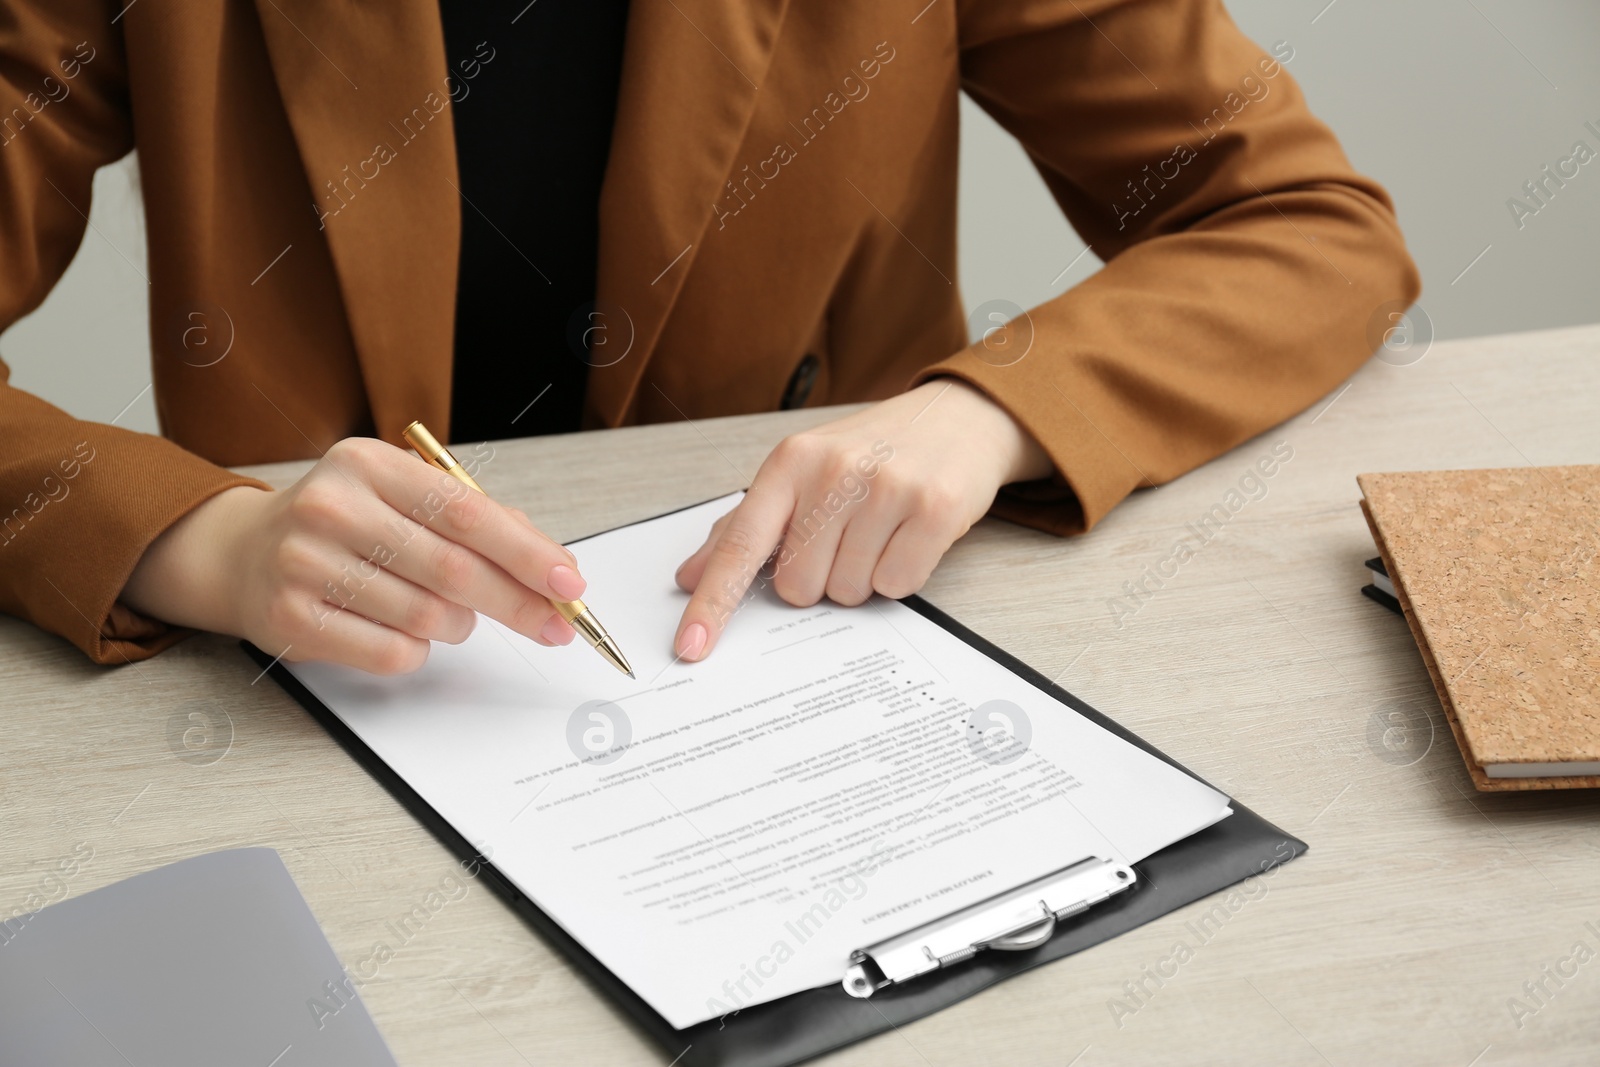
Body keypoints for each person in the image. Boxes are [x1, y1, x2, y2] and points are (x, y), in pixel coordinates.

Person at [0, 0, 1418, 673]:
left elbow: (1308, 223)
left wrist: (991, 413)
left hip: (812, 646)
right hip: (316, 679)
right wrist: (201, 538)